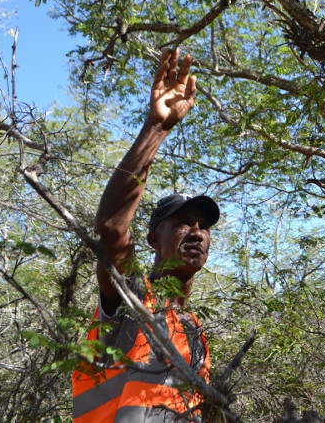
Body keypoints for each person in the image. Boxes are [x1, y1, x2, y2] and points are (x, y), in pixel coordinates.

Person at [72, 48, 219, 422]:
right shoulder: (133, 295)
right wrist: (157, 127)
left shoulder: (194, 329)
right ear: (154, 238)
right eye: (183, 222)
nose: (197, 233)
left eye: (204, 226)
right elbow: (111, 228)